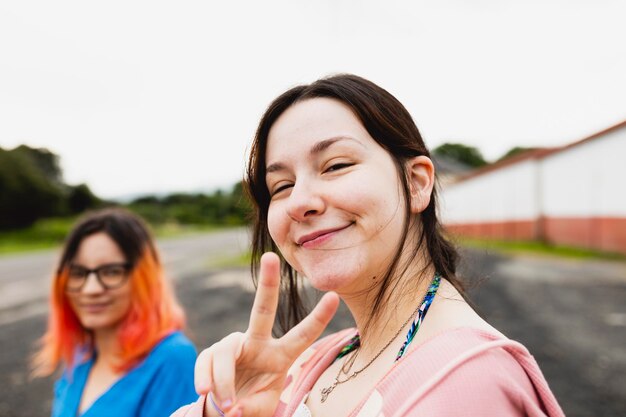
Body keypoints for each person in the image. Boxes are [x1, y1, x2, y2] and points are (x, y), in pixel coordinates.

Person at [174, 74, 565, 417]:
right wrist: (227, 408)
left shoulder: (470, 381)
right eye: (282, 186)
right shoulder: (321, 359)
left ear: (417, 182)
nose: (299, 201)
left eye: (336, 165)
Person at [32, 208, 198, 417]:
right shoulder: (81, 353)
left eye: (111, 272)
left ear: (145, 277)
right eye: (78, 273)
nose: (90, 289)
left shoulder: (172, 358)